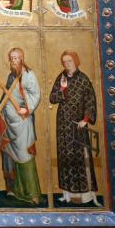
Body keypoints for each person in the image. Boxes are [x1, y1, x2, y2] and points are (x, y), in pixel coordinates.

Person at [48, 51, 99, 205]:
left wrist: (85, 119)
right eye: (64, 61)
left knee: (81, 157)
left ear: (76, 61)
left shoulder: (83, 79)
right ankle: (67, 194)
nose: (67, 64)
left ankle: (86, 196)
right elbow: (52, 98)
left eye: (69, 61)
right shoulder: (61, 78)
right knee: (65, 156)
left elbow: (90, 101)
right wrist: (62, 91)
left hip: (78, 124)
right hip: (63, 124)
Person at [0, 47, 41, 204]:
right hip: (9, 121)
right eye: (11, 58)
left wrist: (26, 109)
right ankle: (14, 189)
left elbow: (35, 94)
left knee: (24, 156)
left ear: (22, 58)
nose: (13, 61)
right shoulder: (11, 76)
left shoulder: (29, 75)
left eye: (16, 58)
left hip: (22, 122)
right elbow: (6, 94)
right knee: (10, 155)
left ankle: (32, 193)